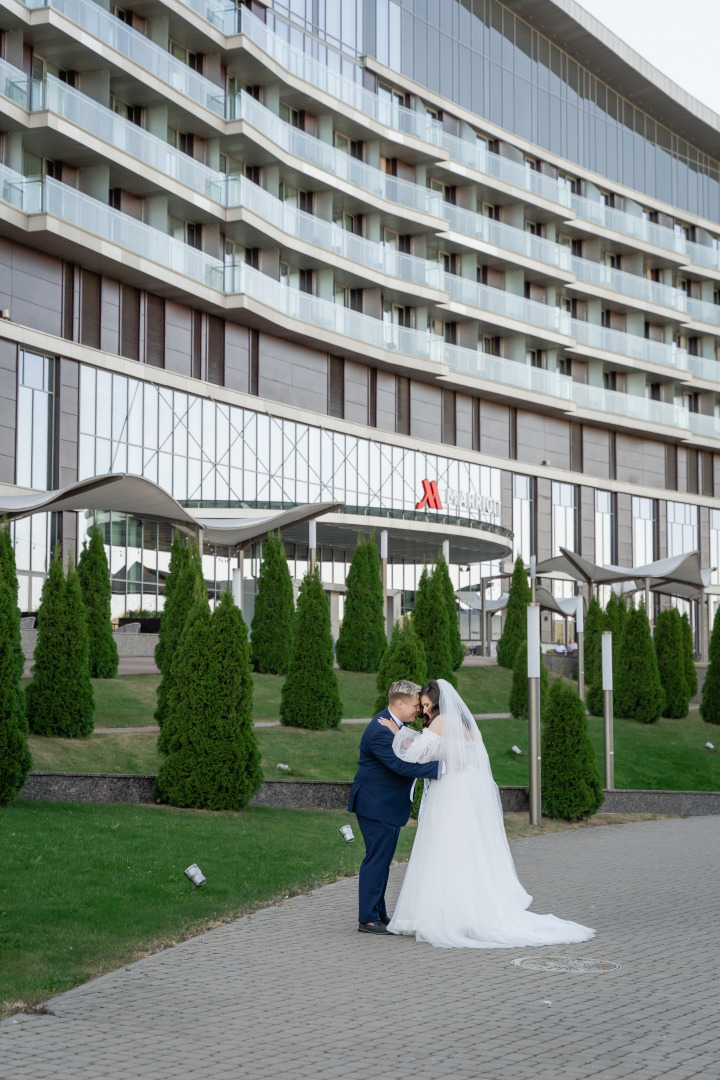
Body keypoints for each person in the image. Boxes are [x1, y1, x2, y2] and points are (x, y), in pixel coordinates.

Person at [378, 678, 595, 949]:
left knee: (446, 847)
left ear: (438, 702)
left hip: (451, 791)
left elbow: (419, 754)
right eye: (421, 705)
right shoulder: (459, 723)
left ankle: (448, 915)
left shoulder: (442, 721)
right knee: (464, 848)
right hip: (465, 787)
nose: (423, 710)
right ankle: (464, 911)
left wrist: (396, 733)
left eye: (426, 704)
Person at [348, 680, 442, 936]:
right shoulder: (379, 730)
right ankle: (367, 919)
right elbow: (401, 766)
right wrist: (441, 769)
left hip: (386, 805)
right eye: (414, 705)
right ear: (399, 703)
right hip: (374, 804)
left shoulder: (395, 726)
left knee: (382, 860)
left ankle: (378, 913)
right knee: (376, 860)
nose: (418, 711)